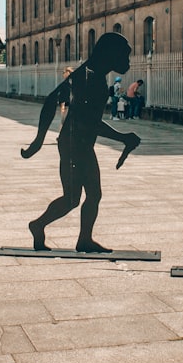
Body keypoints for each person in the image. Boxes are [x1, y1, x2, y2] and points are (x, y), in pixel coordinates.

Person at [21, 33, 140, 253]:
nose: (128, 62)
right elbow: (89, 122)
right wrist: (124, 137)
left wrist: (39, 141)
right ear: (111, 54)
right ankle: (39, 225)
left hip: (79, 144)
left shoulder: (91, 73)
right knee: (73, 199)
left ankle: (82, 239)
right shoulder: (90, 78)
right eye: (125, 56)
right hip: (74, 144)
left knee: (88, 195)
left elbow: (54, 101)